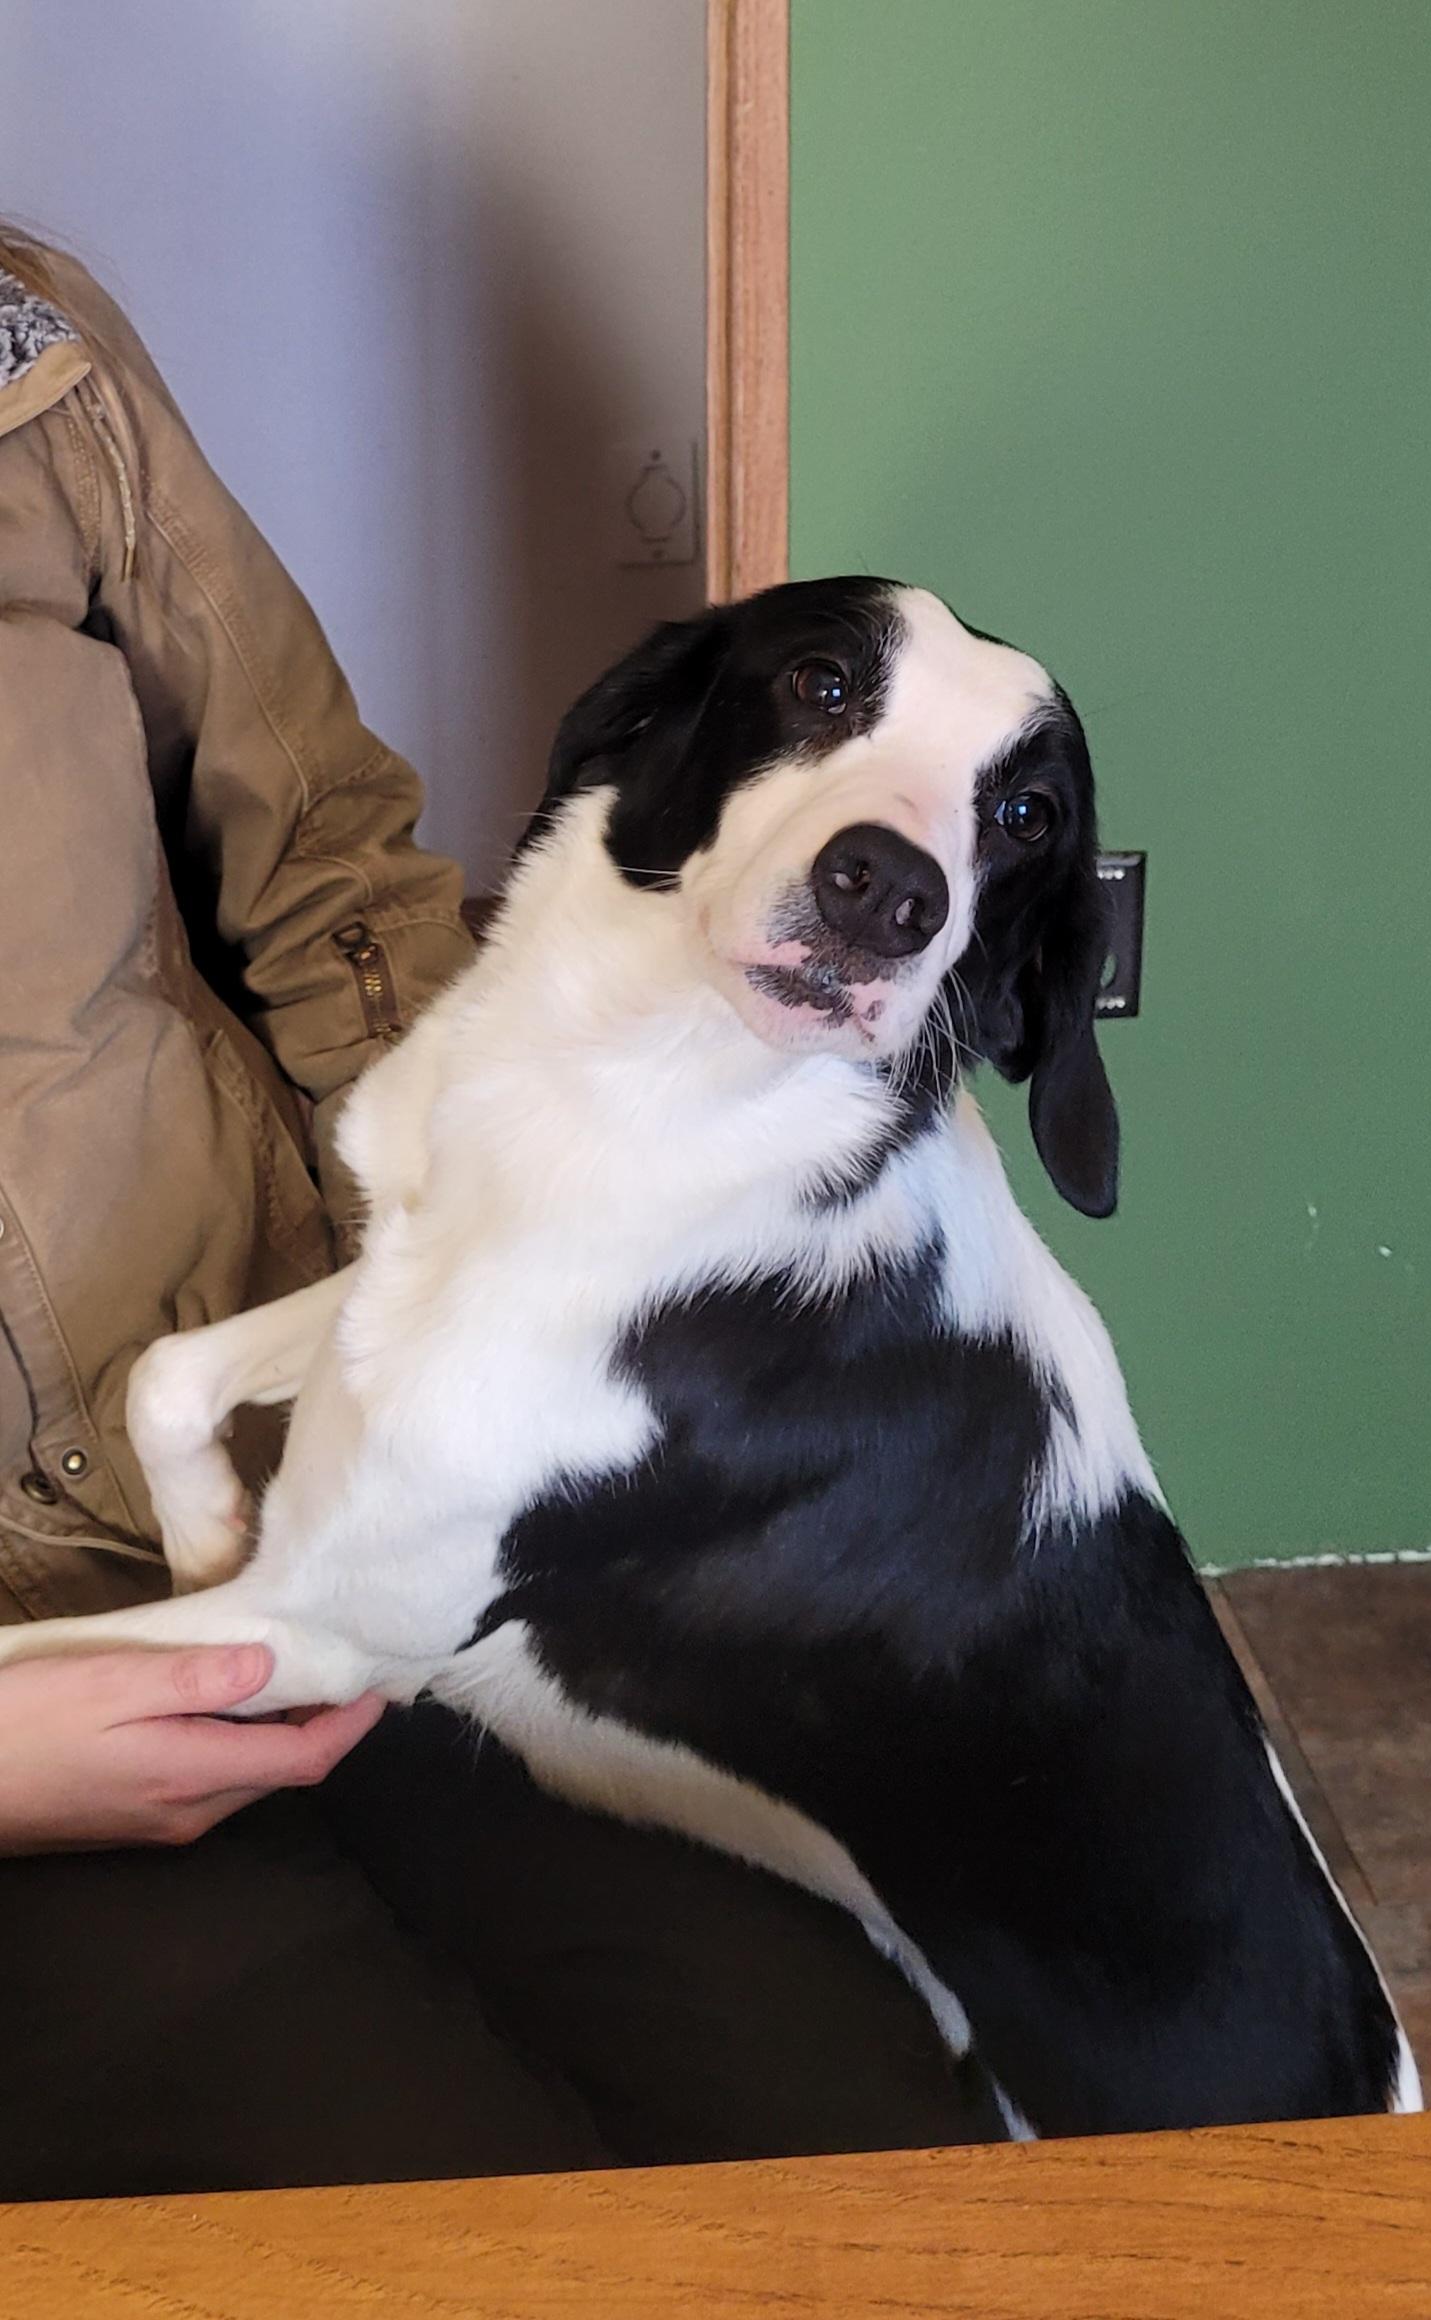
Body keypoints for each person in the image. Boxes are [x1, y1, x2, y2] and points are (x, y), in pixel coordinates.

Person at [0, 229, 1002, 2199]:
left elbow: (315, 848)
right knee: (423, 2203)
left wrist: (468, 1252)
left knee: (877, 2156)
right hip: (39, 1747)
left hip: (371, 1486)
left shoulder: (32, 357)